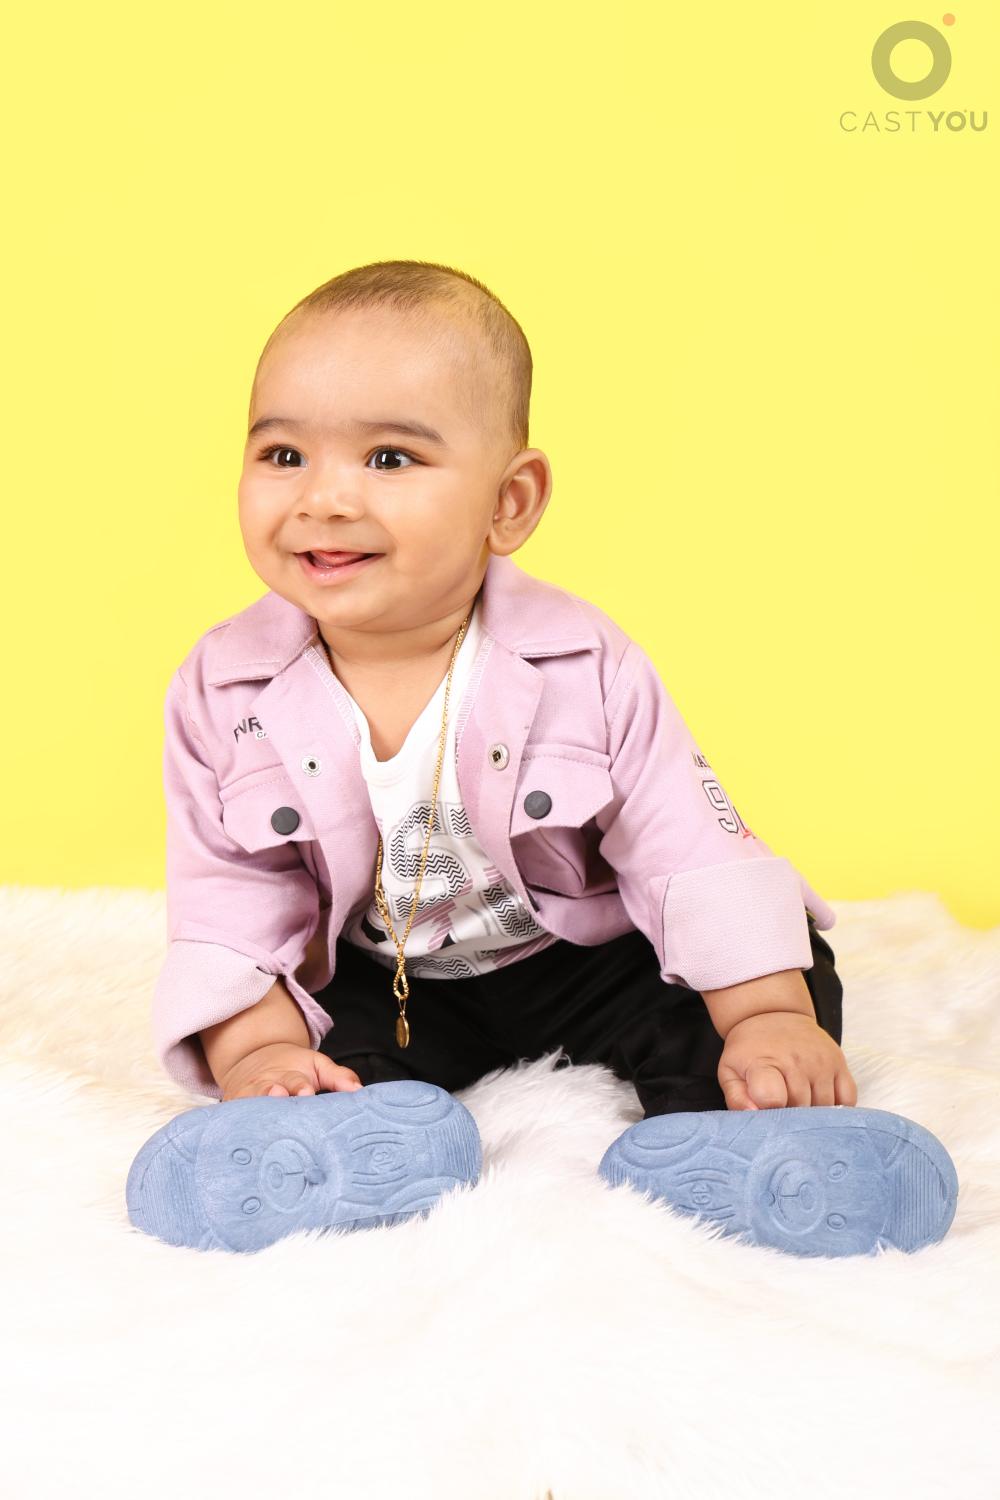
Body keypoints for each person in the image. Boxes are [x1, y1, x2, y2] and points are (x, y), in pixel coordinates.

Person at [127, 259, 958, 1257]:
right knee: (316, 1043)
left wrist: (766, 1015)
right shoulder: (226, 688)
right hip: (392, 977)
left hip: (584, 958)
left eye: (389, 458)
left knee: (755, 982)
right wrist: (259, 1050)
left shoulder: (579, 661)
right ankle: (325, 1150)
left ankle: (757, 1148)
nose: (324, 497)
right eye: (282, 453)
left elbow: (685, 844)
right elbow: (229, 893)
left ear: (509, 502)